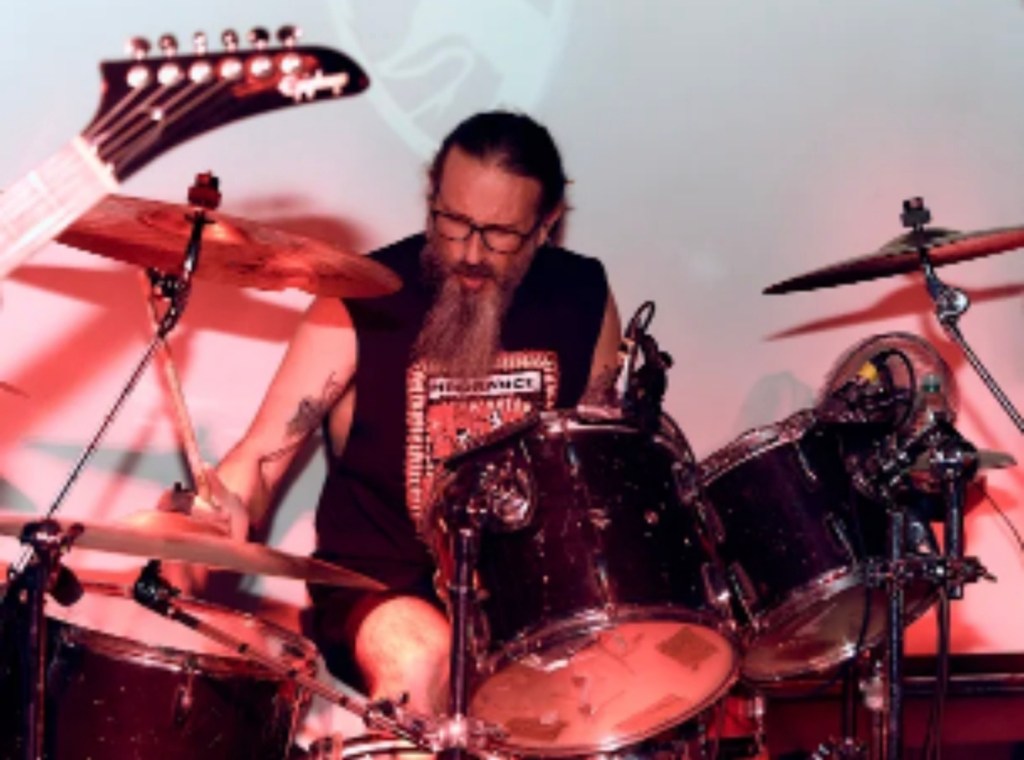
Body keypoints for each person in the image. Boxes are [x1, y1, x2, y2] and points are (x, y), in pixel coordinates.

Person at [202, 110, 623, 715]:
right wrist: (207, 519)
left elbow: (598, 469)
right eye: (454, 221)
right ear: (433, 195)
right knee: (422, 655)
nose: (470, 253)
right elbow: (261, 460)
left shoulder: (584, 296)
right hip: (384, 588)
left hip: (527, 600)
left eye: (500, 234)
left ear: (546, 223)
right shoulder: (361, 297)